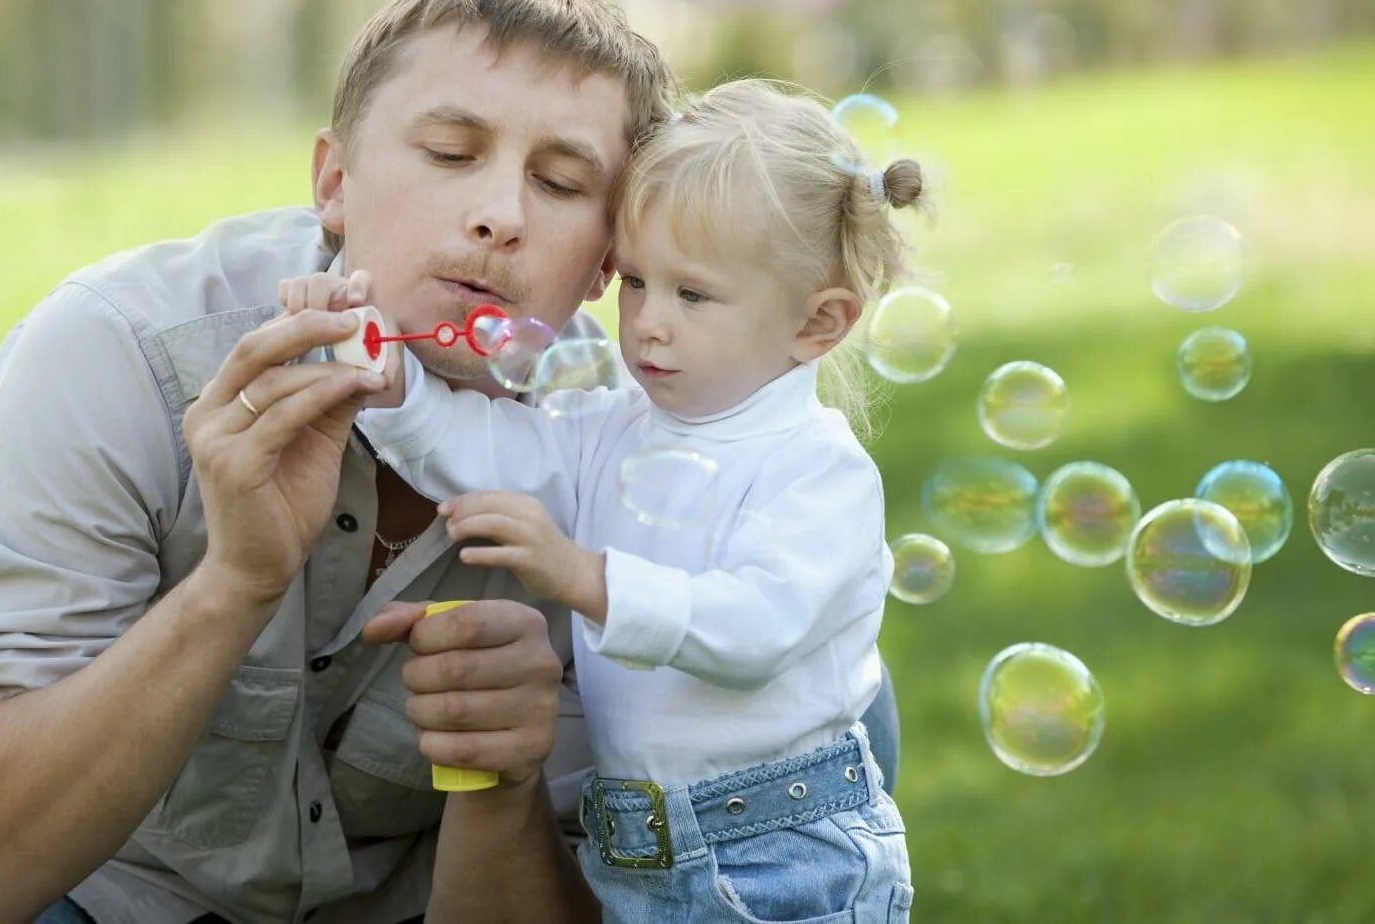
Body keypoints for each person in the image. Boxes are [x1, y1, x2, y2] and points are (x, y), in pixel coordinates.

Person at [0, 0, 899, 923]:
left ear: (606, 262)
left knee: (847, 706)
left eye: (563, 183)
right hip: (95, 891)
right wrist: (236, 581)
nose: (499, 215)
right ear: (334, 184)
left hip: (402, 902)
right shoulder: (117, 356)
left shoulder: (637, 454)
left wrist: (503, 776)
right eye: (451, 151)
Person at [314, 78, 923, 922]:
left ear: (816, 324)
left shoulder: (817, 471)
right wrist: (389, 383)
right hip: (637, 846)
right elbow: (489, 453)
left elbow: (755, 628)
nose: (647, 323)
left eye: (693, 294)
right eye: (636, 281)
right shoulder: (614, 428)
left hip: (784, 851)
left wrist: (583, 575)